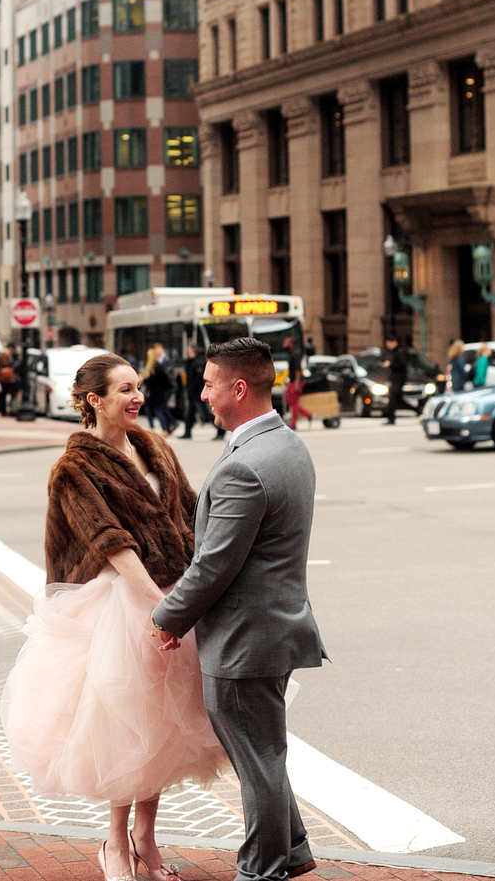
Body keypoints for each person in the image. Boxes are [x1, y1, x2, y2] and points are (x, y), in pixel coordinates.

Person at [1, 353, 228, 881]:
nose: (137, 397)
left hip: (171, 595)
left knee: (161, 728)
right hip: (120, 605)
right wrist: (162, 605)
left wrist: (201, 586)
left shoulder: (154, 446)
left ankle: (145, 840)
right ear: (93, 400)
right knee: (122, 727)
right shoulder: (74, 469)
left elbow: (193, 511)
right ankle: (114, 844)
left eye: (138, 387)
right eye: (124, 389)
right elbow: (112, 543)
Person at [152, 337, 327, 881]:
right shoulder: (288, 444)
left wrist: (166, 617)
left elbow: (213, 566)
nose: (201, 393)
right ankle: (292, 852)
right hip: (275, 631)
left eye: (208, 383)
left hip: (244, 641)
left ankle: (262, 870)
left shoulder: (245, 466)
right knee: (265, 755)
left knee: (259, 766)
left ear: (239, 387)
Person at [142, 344, 174, 436]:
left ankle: (164, 429)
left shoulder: (155, 368)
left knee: (157, 411)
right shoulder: (156, 367)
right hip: (156, 394)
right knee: (151, 410)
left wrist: (144, 379)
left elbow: (152, 381)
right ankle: (155, 428)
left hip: (155, 394)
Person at [381, 335, 408, 424]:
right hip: (396, 379)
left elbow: (402, 364)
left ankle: (391, 418)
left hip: (398, 379)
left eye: (389, 343)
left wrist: (390, 364)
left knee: (393, 399)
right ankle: (419, 411)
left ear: (394, 342)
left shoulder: (400, 351)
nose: (388, 346)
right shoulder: (395, 351)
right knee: (398, 400)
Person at [181, 345, 206, 438]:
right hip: (192, 393)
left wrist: (194, 390)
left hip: (197, 393)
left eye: (190, 351)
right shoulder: (191, 362)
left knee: (205, 413)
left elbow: (199, 379)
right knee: (188, 414)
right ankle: (187, 433)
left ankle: (221, 430)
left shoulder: (199, 362)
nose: (188, 353)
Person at [0, 348, 16, 417]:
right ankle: (3, 410)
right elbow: (5, 364)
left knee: (3, 394)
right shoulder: (5, 357)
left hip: (2, 377)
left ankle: (3, 409)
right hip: (4, 378)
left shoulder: (2, 356)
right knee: (4, 394)